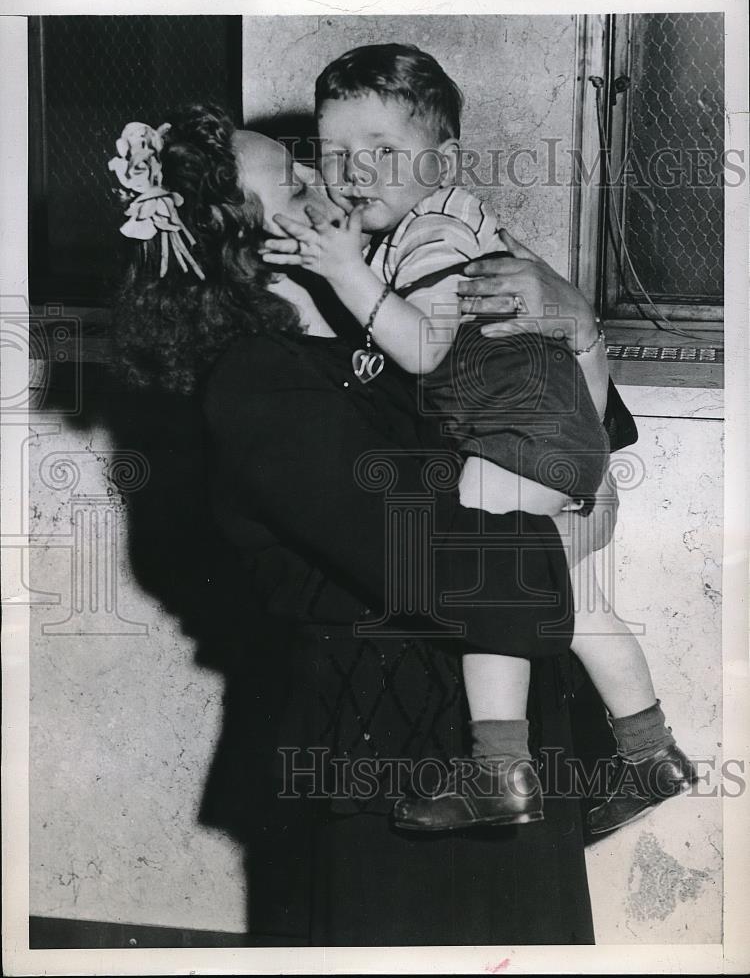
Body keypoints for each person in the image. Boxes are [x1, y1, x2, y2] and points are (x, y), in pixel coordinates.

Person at [108, 103, 626, 945]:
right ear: (246, 237)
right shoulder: (255, 386)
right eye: (297, 177)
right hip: (394, 767)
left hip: (513, 743)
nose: (333, 181)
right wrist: (557, 514)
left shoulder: (387, 316)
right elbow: (447, 560)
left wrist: (581, 329)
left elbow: (585, 482)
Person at [261, 43, 697, 835]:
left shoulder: (434, 234)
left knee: (484, 587)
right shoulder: (428, 226)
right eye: (335, 154)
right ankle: (650, 750)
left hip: (517, 434)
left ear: (444, 159)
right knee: (572, 602)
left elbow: (423, 349)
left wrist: (342, 269)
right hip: (553, 436)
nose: (356, 172)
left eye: (385, 151)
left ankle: (499, 770)